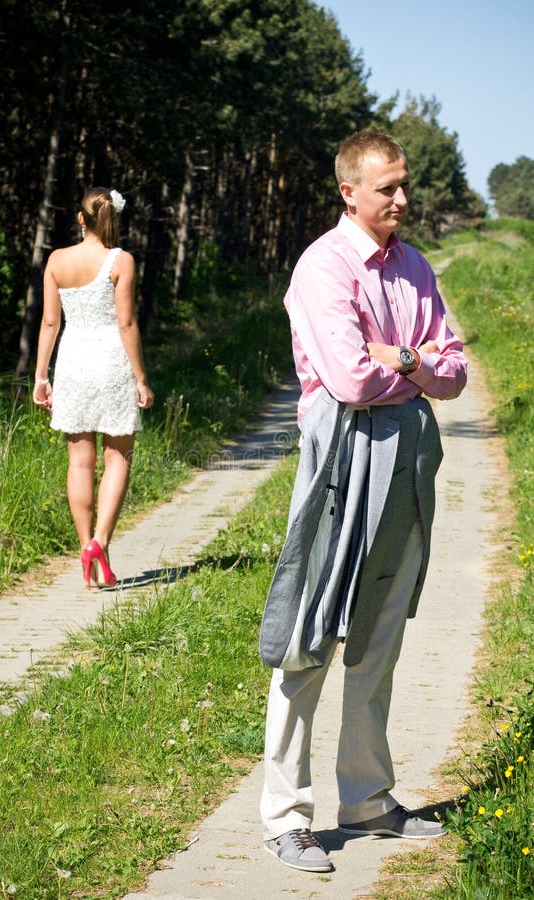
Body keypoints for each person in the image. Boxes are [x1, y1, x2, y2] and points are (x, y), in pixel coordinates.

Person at [258, 130, 468, 873]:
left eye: (404, 185)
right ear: (350, 190)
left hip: (408, 453)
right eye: (388, 188)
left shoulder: (414, 265)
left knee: (379, 633)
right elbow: (348, 379)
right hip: (343, 456)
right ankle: (286, 815)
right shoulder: (325, 265)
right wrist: (416, 371)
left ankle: (368, 799)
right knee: (309, 636)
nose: (403, 200)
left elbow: (453, 369)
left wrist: (405, 359)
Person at [33, 186, 154, 589]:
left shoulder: (57, 260)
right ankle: (102, 542)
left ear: (81, 220)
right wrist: (140, 379)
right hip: (112, 363)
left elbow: (50, 323)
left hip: (72, 363)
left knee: (79, 463)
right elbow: (126, 324)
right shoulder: (121, 260)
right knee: (117, 459)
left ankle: (86, 546)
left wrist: (41, 376)